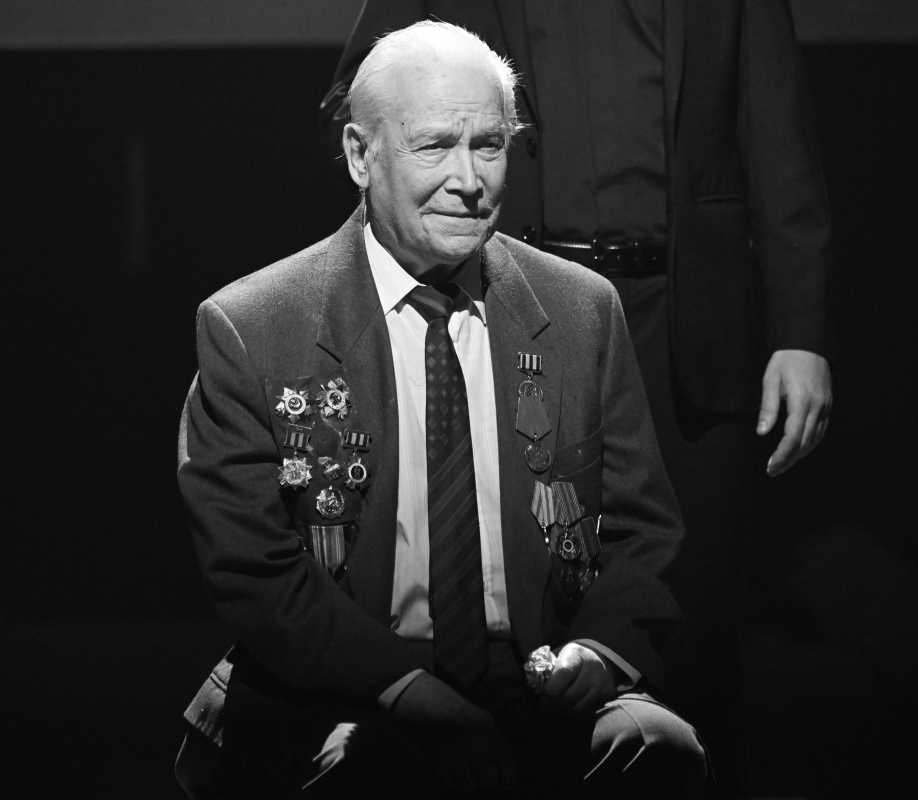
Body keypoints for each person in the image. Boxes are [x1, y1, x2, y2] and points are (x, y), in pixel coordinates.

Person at [174, 21, 705, 800]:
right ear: (361, 155)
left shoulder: (582, 309)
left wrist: (597, 652)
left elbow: (643, 528)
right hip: (352, 682)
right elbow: (253, 570)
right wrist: (411, 694)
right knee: (367, 770)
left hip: (540, 675)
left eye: (488, 145)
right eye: (434, 147)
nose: (470, 180)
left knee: (657, 750)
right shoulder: (253, 326)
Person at [321, 3, 834, 793]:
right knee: (522, 610)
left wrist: (800, 331)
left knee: (696, 627)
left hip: (687, 319)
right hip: (513, 303)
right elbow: (358, 94)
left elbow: (778, 128)